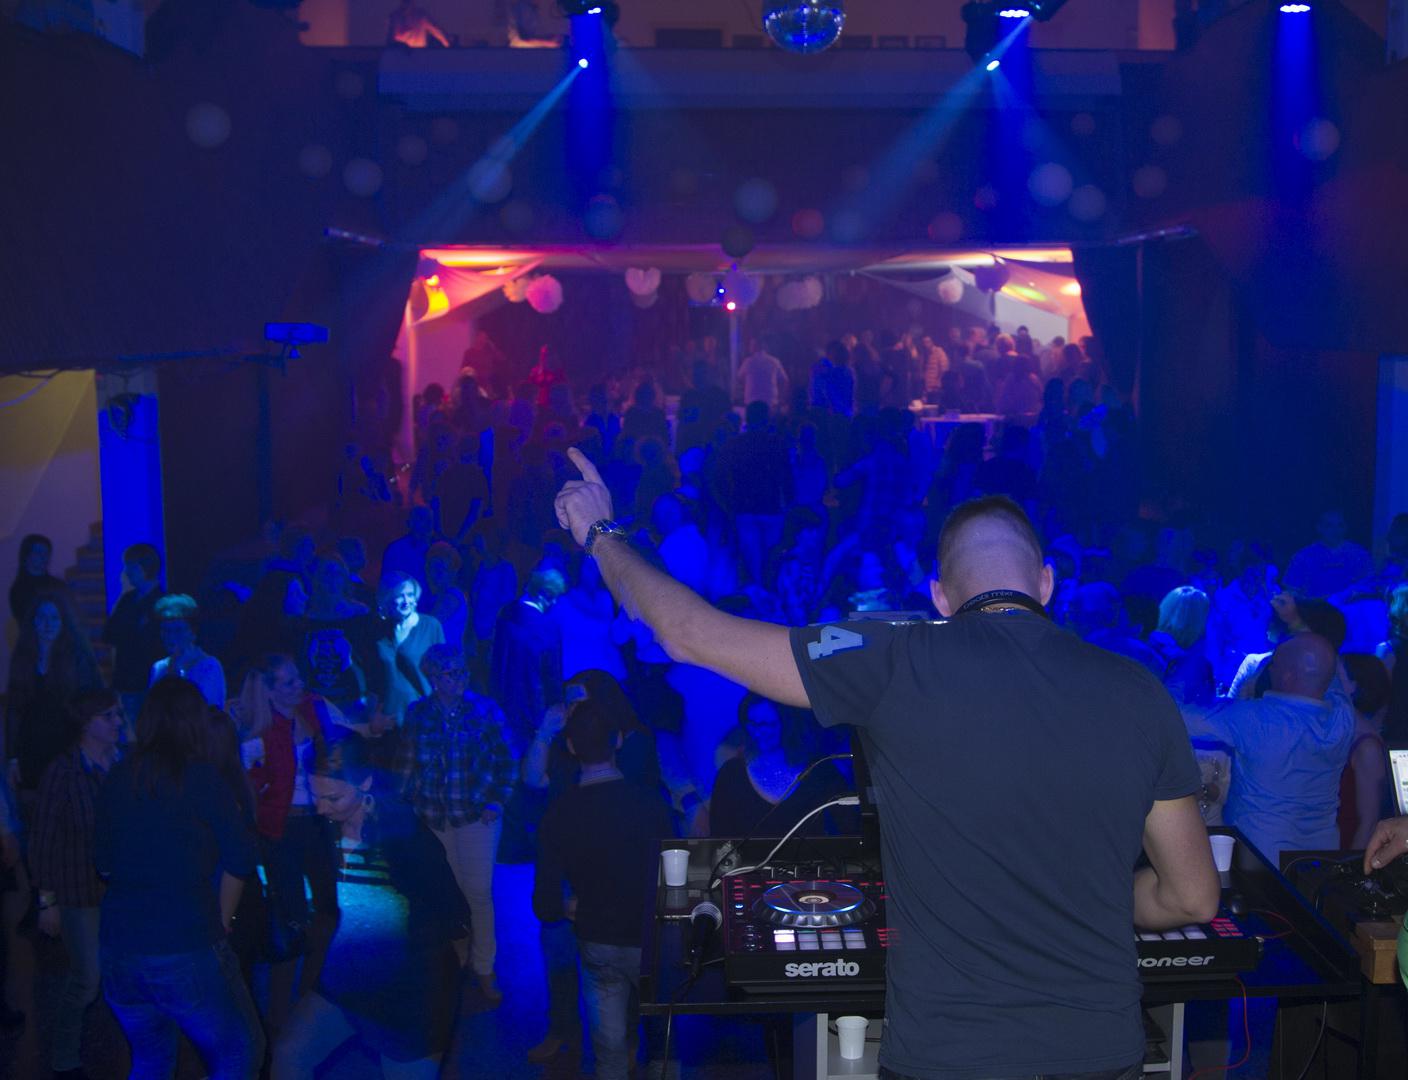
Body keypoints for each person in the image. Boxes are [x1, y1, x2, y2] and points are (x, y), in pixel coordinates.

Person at [554, 457, 1217, 1079]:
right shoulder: (1139, 693)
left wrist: (600, 534)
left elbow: (689, 633)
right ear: (1045, 582)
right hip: (1099, 1051)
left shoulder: (890, 658)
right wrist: (1093, 897)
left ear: (940, 597)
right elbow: (1191, 897)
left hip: (949, 1055)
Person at [95, 677, 264, 1079]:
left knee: (151, 1059)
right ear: (195, 723)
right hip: (184, 941)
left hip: (119, 948)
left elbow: (103, 864)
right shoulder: (201, 778)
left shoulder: (118, 776)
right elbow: (242, 857)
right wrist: (223, 920)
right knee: (240, 1053)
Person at [273, 735, 468, 1079]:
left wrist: (442, 1002)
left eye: (332, 797)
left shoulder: (405, 836)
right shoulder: (324, 831)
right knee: (289, 1055)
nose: (321, 808)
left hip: (408, 996)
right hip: (346, 980)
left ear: (364, 782)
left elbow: (455, 915)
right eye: (315, 795)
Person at [534, 699, 673, 1080]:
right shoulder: (650, 803)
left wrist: (567, 906)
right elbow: (675, 877)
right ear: (619, 741)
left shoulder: (560, 811)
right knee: (663, 1048)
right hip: (648, 937)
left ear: (571, 746)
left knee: (608, 1053)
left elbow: (545, 901)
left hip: (598, 938)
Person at [232, 654, 363, 1031]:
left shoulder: (313, 708)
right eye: (287, 682)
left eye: (297, 678)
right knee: (290, 920)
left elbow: (345, 735)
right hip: (282, 830)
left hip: (317, 823)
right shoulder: (260, 730)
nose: (297, 686)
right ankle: (279, 1014)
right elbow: (245, 783)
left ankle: (309, 988)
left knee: (329, 911)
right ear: (270, 690)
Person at [395, 644, 516, 1004]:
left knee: (477, 892)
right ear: (434, 678)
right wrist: (402, 805)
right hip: (433, 817)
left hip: (477, 816)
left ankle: (484, 967)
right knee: (449, 893)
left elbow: (508, 759)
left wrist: (497, 800)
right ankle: (459, 960)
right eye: (452, 673)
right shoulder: (418, 713)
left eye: (463, 670)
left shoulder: (485, 710)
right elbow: (406, 764)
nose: (461, 678)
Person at [1183, 635, 1354, 863]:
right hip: (1322, 851)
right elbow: (1329, 676)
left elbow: (1182, 718)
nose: (1267, 669)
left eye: (1272, 663)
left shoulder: (1256, 719)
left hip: (1260, 854)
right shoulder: (1344, 716)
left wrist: (1188, 667)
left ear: (1287, 675)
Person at [30, 688, 123, 1079]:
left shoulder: (122, 764)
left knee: (115, 975)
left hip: (119, 892)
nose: (118, 722)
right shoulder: (64, 772)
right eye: (109, 716)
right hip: (77, 891)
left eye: (118, 714)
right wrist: (47, 900)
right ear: (86, 724)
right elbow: (43, 839)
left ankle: (116, 1049)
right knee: (87, 979)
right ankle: (63, 1056)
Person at [708, 694, 852, 838]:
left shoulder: (820, 771)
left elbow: (848, 829)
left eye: (769, 724)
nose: (759, 732)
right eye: (752, 724)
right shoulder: (732, 774)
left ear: (787, 723)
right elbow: (719, 837)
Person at [8, 590, 102, 795]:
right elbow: (14, 710)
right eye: (42, 617)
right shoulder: (23, 657)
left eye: (54, 618)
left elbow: (89, 703)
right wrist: (12, 756)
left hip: (67, 745)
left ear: (63, 622)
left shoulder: (77, 656)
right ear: (33, 621)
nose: (47, 624)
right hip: (31, 748)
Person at [101, 543, 164, 727]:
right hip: (125, 680)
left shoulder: (161, 604)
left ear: (144, 567)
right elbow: (110, 634)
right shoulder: (128, 599)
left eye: (131, 566)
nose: (126, 572)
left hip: (149, 683)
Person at [372, 571, 445, 729]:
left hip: (423, 716)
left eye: (410, 595)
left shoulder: (430, 626)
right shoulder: (379, 628)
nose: (406, 601)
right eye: (400, 596)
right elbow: (374, 676)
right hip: (387, 719)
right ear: (387, 598)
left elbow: (443, 670)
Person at [1338, 654, 1392, 849]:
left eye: (1335, 676)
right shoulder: (1338, 733)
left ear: (1354, 686)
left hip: (1345, 850)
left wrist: (1349, 864)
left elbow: (1369, 823)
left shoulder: (1367, 747)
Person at [149, 593, 226, 707]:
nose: (170, 636)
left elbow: (206, 709)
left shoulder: (209, 667)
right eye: (166, 630)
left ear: (193, 633)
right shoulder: (159, 668)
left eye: (178, 630)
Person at [1284, 509, 1373, 599]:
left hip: (1351, 606)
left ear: (1346, 528)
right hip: (1315, 606)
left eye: (1340, 525)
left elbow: (1369, 586)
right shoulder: (1303, 556)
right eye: (1329, 526)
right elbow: (1292, 590)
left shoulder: (1360, 555)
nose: (1335, 530)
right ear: (1319, 528)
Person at [9, 532, 63, 625]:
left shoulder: (57, 584)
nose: (44, 557)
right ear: (26, 556)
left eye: (46, 553)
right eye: (38, 553)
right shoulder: (19, 589)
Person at [736, 339, 789, 409]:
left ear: (754, 347)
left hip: (752, 403)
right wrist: (781, 400)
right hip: (771, 403)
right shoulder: (774, 361)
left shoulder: (748, 362)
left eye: (750, 345)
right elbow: (785, 381)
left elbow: (739, 378)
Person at [386, 0, 450, 47]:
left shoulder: (421, 16)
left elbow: (437, 31)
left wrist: (448, 45)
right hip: (400, 56)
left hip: (419, 55)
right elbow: (390, 39)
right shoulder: (395, 17)